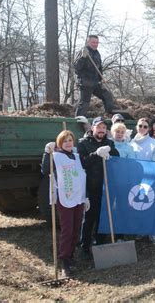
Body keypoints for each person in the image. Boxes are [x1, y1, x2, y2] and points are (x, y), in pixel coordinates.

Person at [42, 130, 88, 277]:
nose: (68, 143)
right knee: (67, 230)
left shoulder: (76, 156)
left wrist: (86, 197)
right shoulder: (56, 157)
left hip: (79, 197)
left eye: (70, 140)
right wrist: (46, 153)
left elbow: (83, 173)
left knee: (76, 228)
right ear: (59, 143)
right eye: (65, 141)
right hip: (65, 197)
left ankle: (71, 255)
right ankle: (64, 260)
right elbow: (45, 170)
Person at [77, 116, 119, 258]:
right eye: (98, 127)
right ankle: (85, 248)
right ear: (92, 128)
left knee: (104, 216)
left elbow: (117, 158)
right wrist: (96, 154)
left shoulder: (109, 142)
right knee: (89, 217)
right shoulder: (83, 143)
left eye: (103, 127)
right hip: (90, 186)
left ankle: (100, 244)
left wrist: (110, 150)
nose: (101, 130)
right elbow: (82, 163)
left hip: (106, 186)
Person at [130, 118, 155, 244]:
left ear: (148, 128)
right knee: (137, 204)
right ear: (136, 127)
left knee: (151, 205)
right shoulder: (130, 142)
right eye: (140, 126)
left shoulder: (153, 142)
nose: (142, 128)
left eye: (145, 126)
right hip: (134, 178)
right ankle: (140, 230)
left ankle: (152, 232)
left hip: (150, 178)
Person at [74, 35, 115, 116]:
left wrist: (101, 78)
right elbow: (77, 67)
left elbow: (99, 68)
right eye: (93, 42)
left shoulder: (97, 53)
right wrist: (83, 57)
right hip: (85, 82)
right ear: (88, 42)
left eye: (97, 42)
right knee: (84, 103)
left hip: (95, 82)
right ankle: (78, 119)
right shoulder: (83, 52)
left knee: (107, 95)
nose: (95, 44)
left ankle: (109, 114)